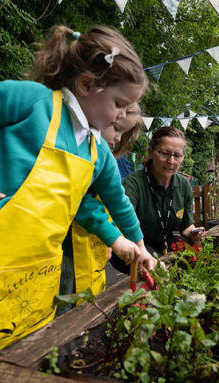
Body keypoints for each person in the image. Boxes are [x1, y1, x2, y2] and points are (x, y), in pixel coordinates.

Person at [0, 25, 157, 382]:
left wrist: (138, 245)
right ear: (87, 85)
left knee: (11, 366)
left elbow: (117, 202)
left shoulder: (97, 152)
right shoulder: (32, 101)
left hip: (30, 283)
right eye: (120, 104)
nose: (123, 116)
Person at [58, 103, 144, 314]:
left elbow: (116, 203)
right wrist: (115, 238)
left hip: (91, 250)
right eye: (116, 129)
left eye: (122, 135)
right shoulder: (76, 152)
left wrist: (131, 243)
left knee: (89, 303)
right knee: (63, 306)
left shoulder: (103, 156)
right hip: (65, 249)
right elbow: (81, 201)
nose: (116, 139)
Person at [112, 126, 204, 272]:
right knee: (160, 262)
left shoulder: (183, 185)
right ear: (150, 151)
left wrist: (195, 233)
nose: (171, 161)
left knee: (192, 253)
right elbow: (120, 226)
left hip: (164, 244)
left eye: (177, 155)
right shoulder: (134, 183)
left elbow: (186, 227)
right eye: (165, 153)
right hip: (134, 245)